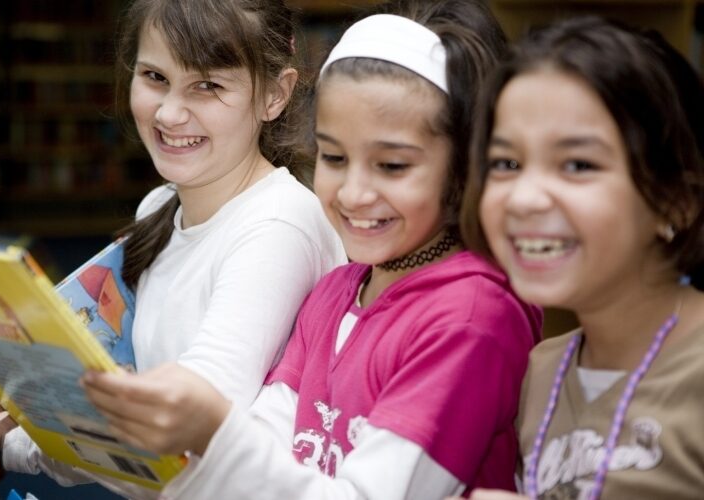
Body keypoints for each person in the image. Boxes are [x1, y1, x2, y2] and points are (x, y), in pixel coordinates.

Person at [81, 1, 543, 498]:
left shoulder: (470, 320)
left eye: (392, 166)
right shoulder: (335, 293)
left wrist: (215, 431)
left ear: (465, 163)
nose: (353, 193)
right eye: (335, 157)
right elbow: (266, 441)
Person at [0, 0, 344, 496]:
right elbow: (125, 446)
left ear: (275, 95)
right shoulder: (159, 207)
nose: (170, 112)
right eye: (155, 77)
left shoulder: (279, 226)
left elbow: (180, 438)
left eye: (208, 86)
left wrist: (25, 413)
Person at [457, 16, 704, 500]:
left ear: (675, 200)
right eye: (506, 163)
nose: (525, 199)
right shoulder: (542, 369)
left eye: (577, 165)